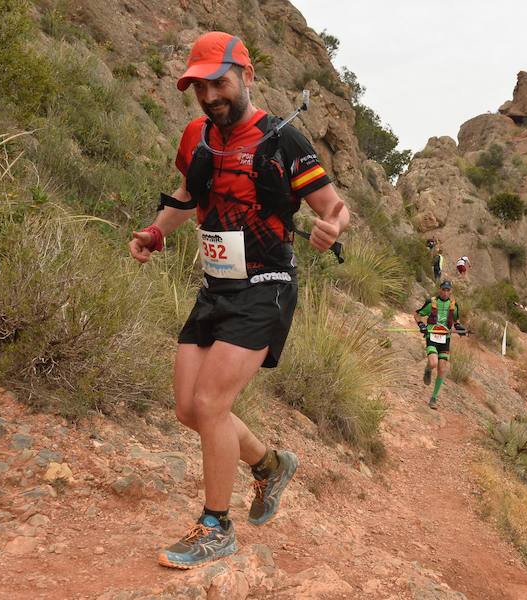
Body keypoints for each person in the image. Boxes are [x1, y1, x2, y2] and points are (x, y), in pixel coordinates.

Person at [128, 31, 350, 570]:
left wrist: (329, 228)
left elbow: (334, 206)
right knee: (189, 409)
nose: (209, 96)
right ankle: (270, 465)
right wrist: (157, 234)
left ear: (246, 76)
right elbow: (188, 197)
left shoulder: (282, 140)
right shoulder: (196, 138)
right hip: (216, 285)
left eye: (219, 83)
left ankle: (215, 527)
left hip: (267, 285)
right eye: (199, 87)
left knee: (210, 405)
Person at [415, 280, 464, 409]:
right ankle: (427, 369)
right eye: (443, 289)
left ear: (450, 291)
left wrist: (459, 328)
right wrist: (421, 325)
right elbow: (417, 315)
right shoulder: (431, 303)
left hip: (445, 338)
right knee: (433, 363)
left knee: (442, 369)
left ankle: (434, 398)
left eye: (448, 290)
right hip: (432, 335)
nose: (445, 292)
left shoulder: (454, 305)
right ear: (439, 289)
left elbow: (456, 320)